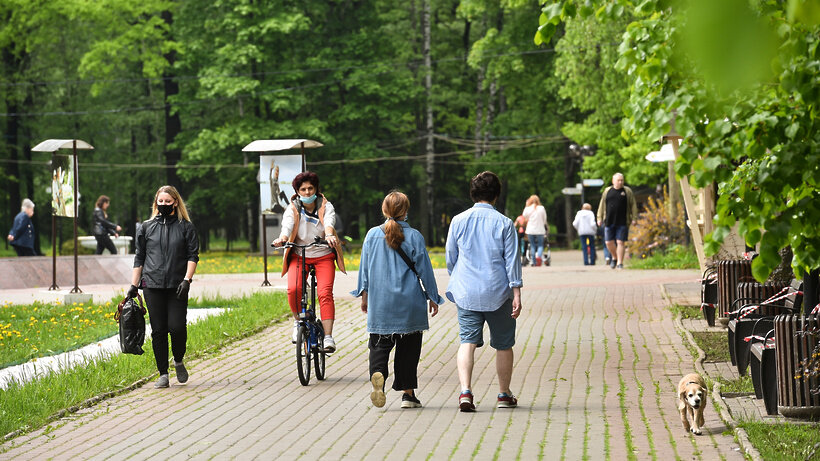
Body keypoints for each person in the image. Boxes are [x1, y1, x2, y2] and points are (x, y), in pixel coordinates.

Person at [351, 191, 444, 409]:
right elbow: (425, 271)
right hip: (409, 302)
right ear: (406, 211)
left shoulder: (371, 235)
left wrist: (364, 295)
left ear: (384, 210)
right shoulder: (415, 237)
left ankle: (378, 374)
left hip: (380, 302)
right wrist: (432, 296)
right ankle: (408, 395)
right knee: (409, 349)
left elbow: (364, 269)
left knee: (379, 346)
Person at [446, 171, 523, 412]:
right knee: (503, 344)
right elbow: (512, 262)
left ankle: (465, 391)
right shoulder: (505, 223)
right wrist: (517, 293)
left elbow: (450, 258)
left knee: (467, 341)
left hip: (467, 292)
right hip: (498, 292)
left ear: (473, 193)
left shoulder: (458, 221)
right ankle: (503, 394)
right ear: (496, 195)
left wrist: (459, 278)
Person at [128, 185, 199, 388]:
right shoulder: (146, 227)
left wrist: (187, 280)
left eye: (168, 202)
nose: (164, 205)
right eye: (161, 202)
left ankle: (178, 360)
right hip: (152, 284)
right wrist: (134, 285)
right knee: (158, 330)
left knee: (177, 327)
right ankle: (163, 374)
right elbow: (139, 256)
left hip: (177, 285)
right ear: (156, 203)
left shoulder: (186, 227)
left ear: (175, 202)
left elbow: (193, 255)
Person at [272, 171, 345, 353]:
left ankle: (328, 337)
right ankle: (298, 322)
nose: (306, 192)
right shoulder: (293, 208)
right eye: (302, 189)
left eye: (310, 188)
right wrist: (282, 238)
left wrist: (329, 235)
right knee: (293, 289)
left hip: (323, 254)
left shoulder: (325, 206)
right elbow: (287, 225)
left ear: (316, 189)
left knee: (325, 293)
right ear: (297, 191)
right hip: (299, 254)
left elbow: (329, 222)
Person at [597, 172, 638, 269]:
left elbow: (633, 205)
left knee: (620, 242)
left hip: (623, 221)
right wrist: (599, 218)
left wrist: (634, 218)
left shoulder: (627, 191)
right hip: (609, 220)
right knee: (608, 242)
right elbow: (602, 205)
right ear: (613, 181)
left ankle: (620, 262)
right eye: (618, 180)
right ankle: (614, 257)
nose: (620, 182)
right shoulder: (607, 191)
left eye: (622, 180)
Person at [522, 195, 548, 266]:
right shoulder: (541, 208)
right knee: (540, 245)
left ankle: (534, 261)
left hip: (530, 230)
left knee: (532, 245)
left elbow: (524, 216)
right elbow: (544, 219)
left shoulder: (528, 208)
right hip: (540, 230)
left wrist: (526, 205)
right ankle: (538, 257)